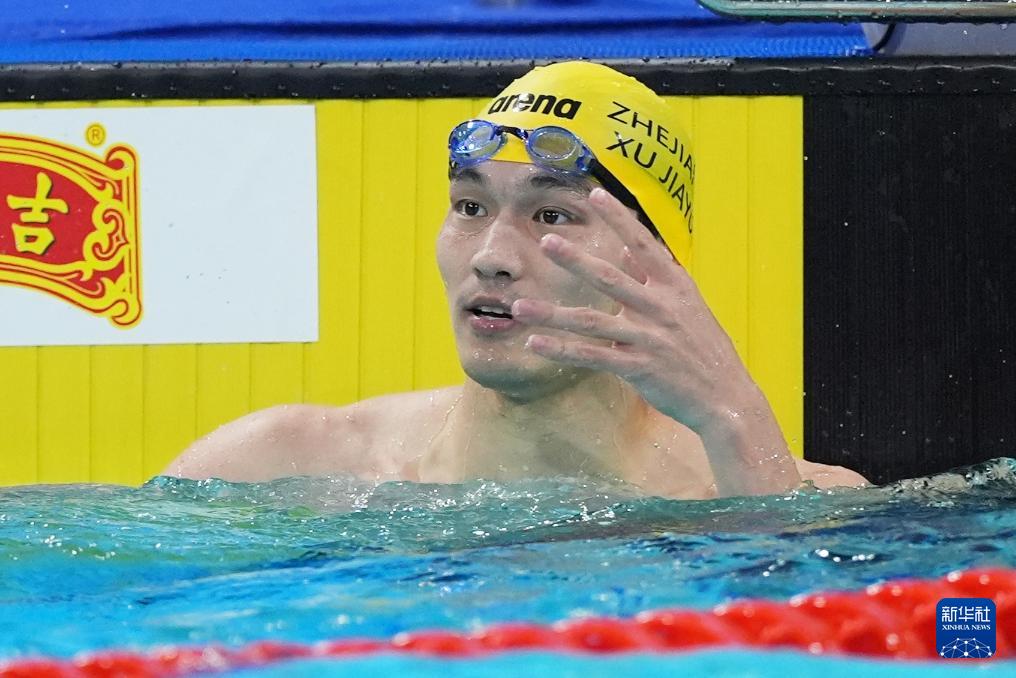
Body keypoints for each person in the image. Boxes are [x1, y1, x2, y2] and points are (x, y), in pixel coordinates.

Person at [165, 61, 869, 498]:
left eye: (551, 215)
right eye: (470, 207)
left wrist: (734, 417)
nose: (492, 256)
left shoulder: (787, 494)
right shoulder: (276, 469)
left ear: (652, 265)